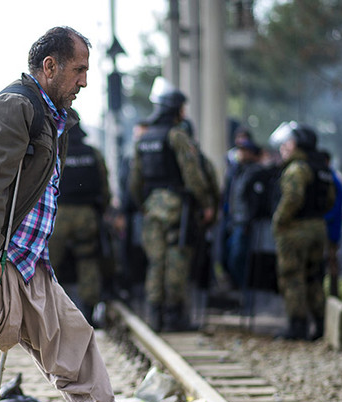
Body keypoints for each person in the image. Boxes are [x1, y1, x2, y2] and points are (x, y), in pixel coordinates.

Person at [0, 26, 168, 402]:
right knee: (1, 330)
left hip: (28, 257)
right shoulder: (14, 107)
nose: (84, 81)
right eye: (78, 70)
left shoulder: (49, 114)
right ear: (50, 66)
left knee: (74, 332)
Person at [127, 78, 216, 332]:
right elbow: (193, 174)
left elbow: (134, 180)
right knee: (176, 257)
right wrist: (206, 203)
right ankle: (175, 316)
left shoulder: (143, 139)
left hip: (152, 207)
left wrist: (144, 205)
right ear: (176, 110)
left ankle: (155, 315)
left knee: (156, 261)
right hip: (177, 206)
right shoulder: (177, 135)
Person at [270, 122, 335, 341]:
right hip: (318, 228)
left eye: (287, 143)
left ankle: (297, 327)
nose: (283, 147)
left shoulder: (297, 168)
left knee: (292, 277)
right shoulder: (323, 169)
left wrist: (278, 221)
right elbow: (330, 200)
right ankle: (320, 325)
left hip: (295, 230)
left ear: (297, 144)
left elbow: (292, 199)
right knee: (314, 277)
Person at [47, 120, 111, 324]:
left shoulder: (54, 151)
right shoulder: (92, 153)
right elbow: (104, 185)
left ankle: (47, 309)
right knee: (88, 259)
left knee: (49, 263)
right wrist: (102, 209)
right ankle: (88, 311)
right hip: (87, 213)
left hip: (59, 214)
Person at [222, 139, 263, 289]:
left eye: (245, 151)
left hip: (244, 222)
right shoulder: (237, 171)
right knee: (226, 256)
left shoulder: (255, 172)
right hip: (233, 220)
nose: (241, 154)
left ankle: (243, 288)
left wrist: (249, 220)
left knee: (237, 257)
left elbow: (254, 201)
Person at [319, 150, 342, 297]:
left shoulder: (332, 180)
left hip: (330, 230)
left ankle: (331, 297)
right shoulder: (332, 178)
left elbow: (336, 208)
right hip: (330, 229)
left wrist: (322, 219)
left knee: (331, 265)